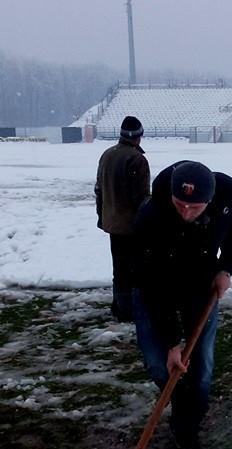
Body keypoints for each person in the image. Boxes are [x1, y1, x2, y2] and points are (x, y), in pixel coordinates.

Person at [132, 160, 232, 449]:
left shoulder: (229, 196)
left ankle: (187, 429)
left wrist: (227, 267)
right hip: (156, 285)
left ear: (210, 202)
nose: (186, 213)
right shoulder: (152, 215)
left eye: (195, 208)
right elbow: (152, 285)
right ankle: (181, 405)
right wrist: (172, 342)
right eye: (180, 205)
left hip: (201, 282)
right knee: (159, 364)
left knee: (201, 366)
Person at [95, 116, 150, 322]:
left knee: (119, 267)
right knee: (134, 269)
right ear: (139, 136)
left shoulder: (107, 154)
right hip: (131, 226)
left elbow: (99, 190)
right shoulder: (137, 159)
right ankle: (130, 310)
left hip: (112, 223)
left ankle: (119, 306)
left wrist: (102, 217)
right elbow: (141, 198)